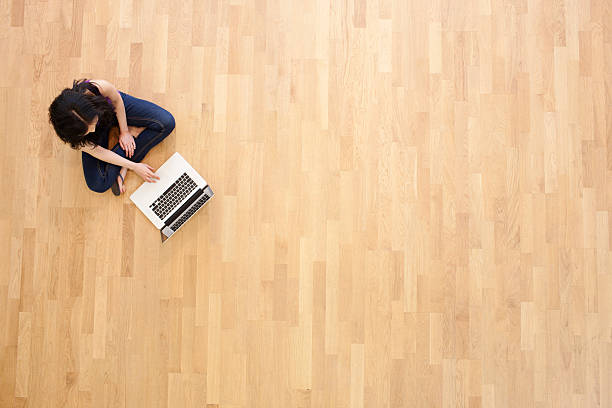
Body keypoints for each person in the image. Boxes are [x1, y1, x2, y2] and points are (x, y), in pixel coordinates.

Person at [48, 79, 175, 195]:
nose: (93, 129)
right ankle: (132, 143)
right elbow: (99, 152)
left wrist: (124, 131)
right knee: (98, 184)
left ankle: (127, 144)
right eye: (87, 130)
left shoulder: (99, 87)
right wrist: (133, 166)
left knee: (166, 122)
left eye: (92, 123)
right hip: (99, 133)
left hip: (110, 112)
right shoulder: (71, 134)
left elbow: (117, 102)